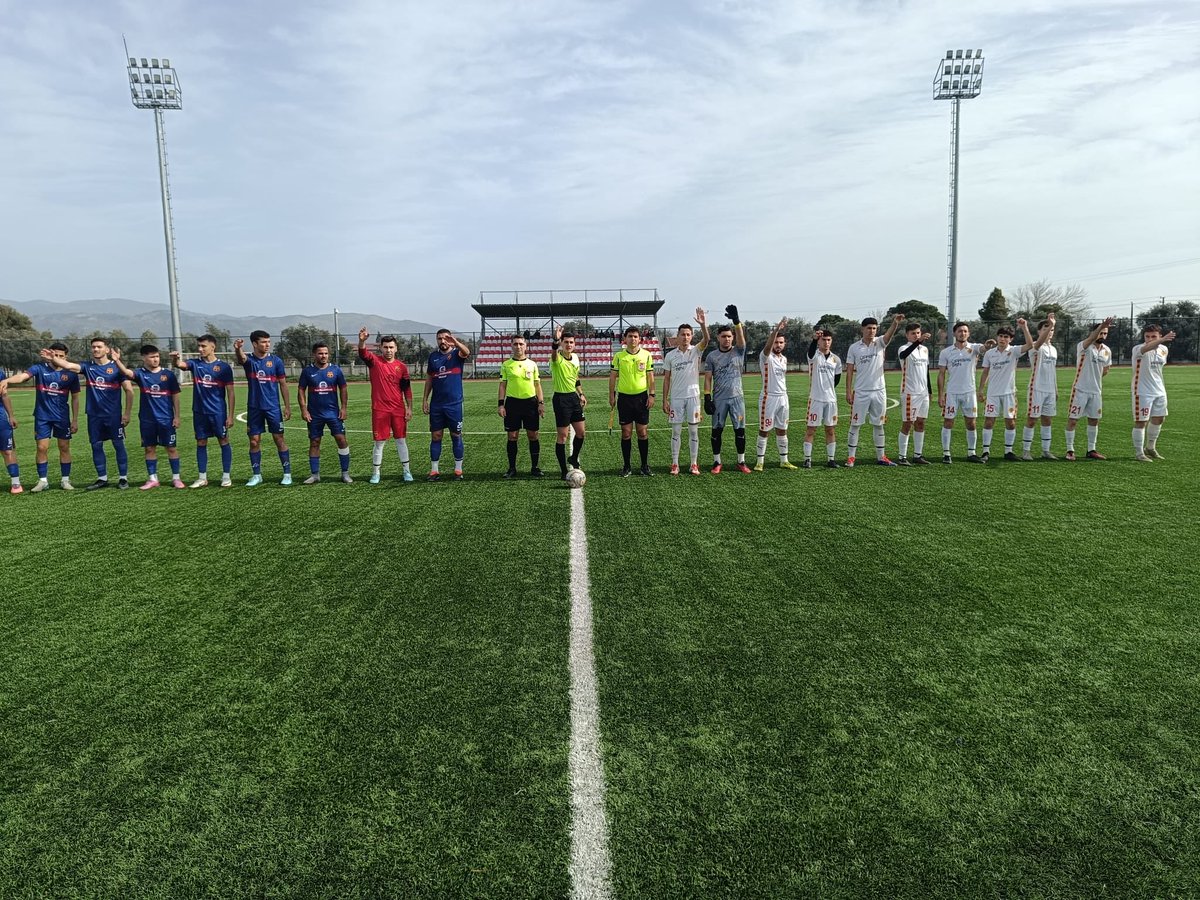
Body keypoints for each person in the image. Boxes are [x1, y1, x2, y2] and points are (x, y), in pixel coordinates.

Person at [0, 343, 80, 492]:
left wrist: (74, 419)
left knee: (64, 447)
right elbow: (22, 377)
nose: (57, 358)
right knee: (41, 447)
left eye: (61, 356)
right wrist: (7, 380)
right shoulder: (39, 368)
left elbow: (75, 398)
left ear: (65, 357)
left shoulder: (71, 374)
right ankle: (43, 481)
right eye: (55, 355)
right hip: (42, 416)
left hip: (62, 417)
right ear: (50, 354)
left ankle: (65, 480)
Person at [57, 338, 134, 490]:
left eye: (99, 347)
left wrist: (127, 413)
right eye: (93, 347)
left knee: (118, 444)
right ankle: (102, 478)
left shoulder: (117, 367)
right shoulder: (87, 367)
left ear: (107, 350)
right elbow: (67, 365)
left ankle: (123, 478)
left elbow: (129, 390)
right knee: (96, 446)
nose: (96, 349)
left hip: (113, 415)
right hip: (94, 415)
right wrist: (52, 357)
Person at [112, 345, 185, 489]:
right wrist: (117, 361)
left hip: (166, 419)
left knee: (171, 448)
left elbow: (175, 396)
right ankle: (152, 479)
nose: (155, 359)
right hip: (147, 419)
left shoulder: (168, 375)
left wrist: (177, 416)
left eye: (157, 356)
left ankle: (176, 478)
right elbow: (126, 372)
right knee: (149, 448)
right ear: (144, 358)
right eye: (152, 357)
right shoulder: (141, 373)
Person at [170, 334, 235, 488]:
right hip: (199, 411)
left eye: (203, 346)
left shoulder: (224, 367)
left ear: (213, 347)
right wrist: (175, 359)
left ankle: (226, 476)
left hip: (218, 412)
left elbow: (231, 392)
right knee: (201, 441)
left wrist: (230, 415)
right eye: (199, 346)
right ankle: (202, 477)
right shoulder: (195, 363)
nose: (200, 349)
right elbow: (180, 365)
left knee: (223, 440)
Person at [843, 314, 903, 467]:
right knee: (855, 424)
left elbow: (889, 335)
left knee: (879, 424)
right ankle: (851, 457)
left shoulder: (880, 343)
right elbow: (849, 371)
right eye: (869, 328)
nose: (872, 331)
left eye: (874, 328)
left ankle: (881, 457)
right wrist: (848, 391)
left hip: (879, 391)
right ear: (862, 329)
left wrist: (895, 323)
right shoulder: (854, 348)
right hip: (861, 392)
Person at [234, 330, 292, 486]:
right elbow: (241, 358)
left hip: (273, 408)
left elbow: (283, 384)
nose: (267, 345)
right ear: (254, 344)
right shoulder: (250, 361)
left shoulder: (276, 361)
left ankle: (287, 474)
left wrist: (287, 406)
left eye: (268, 342)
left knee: (279, 439)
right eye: (263, 342)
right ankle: (256, 475)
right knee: (254, 442)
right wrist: (238, 348)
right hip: (254, 408)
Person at [358, 328, 414, 484]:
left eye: (391, 347)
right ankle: (376, 473)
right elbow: (363, 353)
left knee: (401, 440)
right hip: (380, 409)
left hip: (398, 409)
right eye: (385, 347)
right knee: (379, 442)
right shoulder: (374, 362)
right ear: (381, 348)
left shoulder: (402, 367)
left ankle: (407, 471)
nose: (388, 350)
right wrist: (362, 341)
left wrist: (409, 408)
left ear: (396, 348)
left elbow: (407, 389)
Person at [703, 307, 751, 474]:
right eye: (723, 336)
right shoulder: (712, 356)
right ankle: (717, 462)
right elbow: (708, 378)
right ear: (718, 338)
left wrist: (737, 322)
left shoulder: (739, 351)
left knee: (740, 431)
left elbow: (742, 340)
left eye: (729, 336)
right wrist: (707, 397)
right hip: (719, 399)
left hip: (737, 398)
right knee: (717, 431)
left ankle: (741, 461)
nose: (727, 339)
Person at [661, 308, 709, 475]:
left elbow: (707, 339)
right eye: (683, 334)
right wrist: (664, 399)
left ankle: (693, 464)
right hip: (676, 398)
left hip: (693, 397)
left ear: (692, 336)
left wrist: (703, 324)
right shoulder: (670, 356)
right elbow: (667, 379)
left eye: (688, 334)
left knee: (693, 431)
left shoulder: (696, 350)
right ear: (678, 336)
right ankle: (675, 464)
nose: (685, 337)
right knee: (676, 431)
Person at [936, 322, 991, 464]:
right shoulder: (946, 352)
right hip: (952, 393)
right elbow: (941, 374)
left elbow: (983, 348)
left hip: (969, 393)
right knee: (948, 422)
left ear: (969, 333)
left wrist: (987, 345)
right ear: (954, 333)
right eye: (960, 331)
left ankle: (971, 453)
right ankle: (946, 453)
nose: (963, 333)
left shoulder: (974, 348)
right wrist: (941, 395)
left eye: (965, 331)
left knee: (971, 423)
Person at [298, 341, 352, 483]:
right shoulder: (307, 371)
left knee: (341, 440)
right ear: (314, 354)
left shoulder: (335, 370)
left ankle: (345, 473)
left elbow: (343, 388)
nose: (324, 356)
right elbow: (301, 390)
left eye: (326, 353)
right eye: (320, 353)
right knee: (314, 442)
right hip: (314, 414)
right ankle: (315, 475)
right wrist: (304, 409)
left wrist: (344, 408)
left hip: (333, 413)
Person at [422, 327, 471, 481]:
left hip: (454, 404)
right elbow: (429, 379)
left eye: (445, 338)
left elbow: (467, 352)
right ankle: (434, 471)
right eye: (440, 338)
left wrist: (455, 342)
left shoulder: (457, 353)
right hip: (437, 404)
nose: (442, 341)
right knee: (436, 436)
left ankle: (458, 470)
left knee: (456, 435)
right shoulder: (433, 357)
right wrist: (425, 399)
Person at [1064, 317, 1115, 460]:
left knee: (1094, 420)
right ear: (1094, 332)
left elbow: (1106, 369)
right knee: (1073, 420)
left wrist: (1095, 378)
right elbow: (1091, 338)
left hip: (1096, 391)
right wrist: (1102, 325)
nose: (1102, 335)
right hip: (1080, 389)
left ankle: (1091, 450)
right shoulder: (1084, 346)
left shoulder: (1107, 350)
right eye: (1100, 332)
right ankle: (1070, 450)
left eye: (1105, 333)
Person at [609, 325, 656, 476]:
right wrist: (611, 395)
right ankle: (627, 466)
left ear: (639, 339)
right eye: (630, 336)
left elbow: (650, 376)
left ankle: (644, 466)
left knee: (642, 432)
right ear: (625, 339)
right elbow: (612, 377)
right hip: (624, 399)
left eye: (635, 336)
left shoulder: (646, 355)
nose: (633, 339)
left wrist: (652, 395)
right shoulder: (619, 356)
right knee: (626, 433)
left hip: (641, 398)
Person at [498, 336, 545, 477]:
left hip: (530, 403)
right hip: (512, 404)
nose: (518, 346)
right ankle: (512, 469)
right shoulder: (506, 365)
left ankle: (535, 467)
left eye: (520, 344)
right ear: (511, 346)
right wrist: (501, 405)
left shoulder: (532, 364)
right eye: (515, 344)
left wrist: (541, 403)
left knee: (533, 435)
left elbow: (537, 385)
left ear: (525, 346)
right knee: (512, 436)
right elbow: (502, 385)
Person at [754, 317, 796, 471]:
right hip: (768, 397)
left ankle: (784, 460)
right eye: (776, 342)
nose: (778, 345)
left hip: (783, 397)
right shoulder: (766, 357)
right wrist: (776, 330)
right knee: (764, 430)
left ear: (784, 344)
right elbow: (767, 347)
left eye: (781, 342)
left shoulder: (784, 359)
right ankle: (760, 462)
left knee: (782, 429)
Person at [978, 325, 1023, 462]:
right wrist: (981, 390)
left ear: (1011, 339)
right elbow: (985, 372)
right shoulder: (989, 353)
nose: (1002, 339)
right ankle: (985, 451)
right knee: (989, 421)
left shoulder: (1014, 351)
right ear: (997, 337)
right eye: (1000, 336)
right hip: (992, 394)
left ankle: (1008, 451)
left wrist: (1024, 327)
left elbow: (1029, 345)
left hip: (1009, 393)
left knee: (1010, 422)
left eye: (1006, 337)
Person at [1131, 323, 1175, 462]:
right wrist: (1161, 340)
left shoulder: (1163, 349)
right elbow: (1146, 348)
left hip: (1159, 390)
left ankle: (1150, 447)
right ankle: (1139, 453)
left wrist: (1161, 342)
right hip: (1142, 391)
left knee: (1159, 418)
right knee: (1141, 421)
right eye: (1147, 336)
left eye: (1153, 336)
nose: (1149, 339)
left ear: (1159, 336)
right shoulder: (1138, 348)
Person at [549, 326, 587, 479]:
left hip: (573, 398)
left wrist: (581, 394)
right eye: (566, 342)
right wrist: (555, 340)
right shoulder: (557, 358)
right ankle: (563, 470)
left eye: (571, 342)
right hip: (561, 399)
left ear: (574, 344)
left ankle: (573, 458)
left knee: (581, 433)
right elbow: (553, 354)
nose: (569, 345)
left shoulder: (576, 358)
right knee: (563, 436)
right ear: (562, 343)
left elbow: (575, 377)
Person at [1018, 313, 1058, 460]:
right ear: (1039, 331)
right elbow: (1039, 343)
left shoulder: (1053, 349)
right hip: (1036, 388)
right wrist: (1051, 324)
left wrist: (1055, 389)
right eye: (1046, 329)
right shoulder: (1035, 346)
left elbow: (1053, 371)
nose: (1049, 332)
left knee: (1047, 420)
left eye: (1051, 330)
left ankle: (1046, 451)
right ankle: (1026, 451)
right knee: (1032, 419)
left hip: (1050, 390)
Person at [802, 328, 842, 468]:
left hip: (831, 400)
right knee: (811, 430)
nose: (826, 342)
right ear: (819, 341)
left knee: (830, 430)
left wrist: (828, 389)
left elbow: (837, 379)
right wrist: (814, 339)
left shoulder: (836, 359)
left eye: (828, 340)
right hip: (816, 399)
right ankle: (807, 459)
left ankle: (831, 459)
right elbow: (810, 352)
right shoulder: (814, 356)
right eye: (823, 340)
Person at [896, 322, 932, 465]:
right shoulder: (903, 348)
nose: (916, 335)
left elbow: (926, 371)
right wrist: (918, 341)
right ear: (907, 335)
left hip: (923, 393)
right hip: (910, 392)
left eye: (918, 333)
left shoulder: (924, 350)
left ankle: (918, 455)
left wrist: (929, 391)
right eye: (913, 333)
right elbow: (903, 355)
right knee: (907, 423)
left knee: (921, 422)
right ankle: (902, 457)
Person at [0, 367, 22, 493]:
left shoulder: (0, 374)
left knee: (7, 450)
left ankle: (16, 483)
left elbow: (4, 396)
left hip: (1, 417)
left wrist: (11, 416)